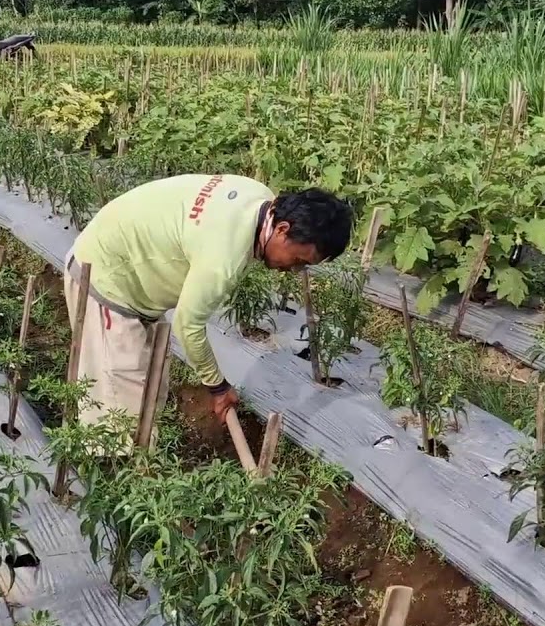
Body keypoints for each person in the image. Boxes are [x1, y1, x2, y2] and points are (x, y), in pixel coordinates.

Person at [64, 174, 353, 440]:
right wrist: (218, 386)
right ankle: (114, 483)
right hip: (105, 283)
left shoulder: (258, 196)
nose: (294, 269)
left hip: (129, 271)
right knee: (119, 410)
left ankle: (140, 463)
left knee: (148, 391)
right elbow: (188, 326)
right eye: (299, 260)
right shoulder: (224, 259)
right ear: (282, 228)